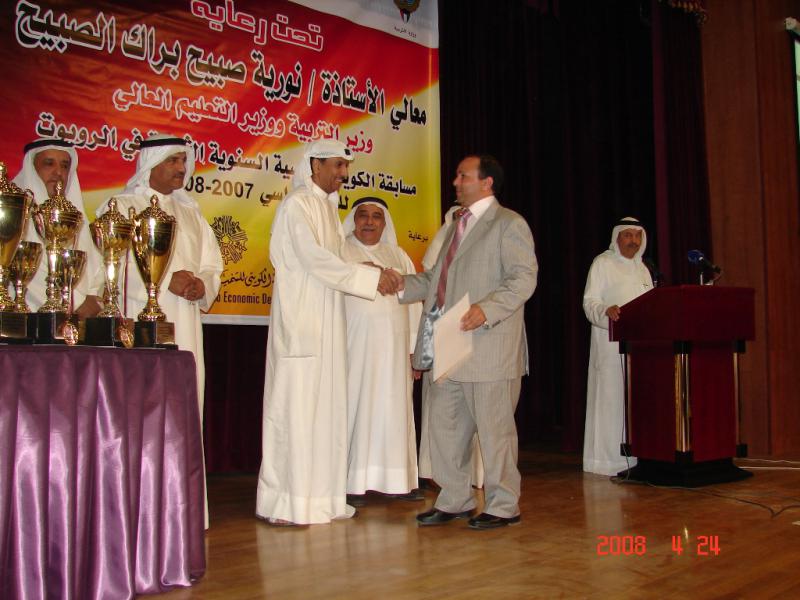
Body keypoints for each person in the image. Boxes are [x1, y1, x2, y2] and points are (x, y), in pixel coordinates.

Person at [256, 139, 402, 526]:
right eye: (338, 165)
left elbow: (336, 260)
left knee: (326, 414)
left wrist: (366, 270)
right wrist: (367, 277)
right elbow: (315, 259)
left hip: (329, 327)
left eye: (345, 166)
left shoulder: (326, 207)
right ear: (315, 165)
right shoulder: (298, 205)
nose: (343, 173)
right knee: (297, 412)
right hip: (302, 324)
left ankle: (323, 500)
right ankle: (286, 504)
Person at [397, 154, 538, 530]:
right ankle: (454, 499)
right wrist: (397, 284)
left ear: (487, 182)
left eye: (463, 176)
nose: (455, 182)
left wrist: (487, 309)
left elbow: (524, 277)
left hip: (489, 347)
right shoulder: (455, 226)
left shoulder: (508, 224)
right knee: (445, 429)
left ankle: (504, 504)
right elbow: (436, 281)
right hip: (447, 345)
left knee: (495, 432)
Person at [97, 134, 223, 420]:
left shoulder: (191, 213)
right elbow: (110, 266)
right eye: (172, 161)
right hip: (137, 318)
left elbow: (212, 264)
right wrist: (165, 282)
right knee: (139, 402)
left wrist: (202, 285)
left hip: (185, 321)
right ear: (150, 163)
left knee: (183, 403)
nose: (181, 168)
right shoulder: (120, 207)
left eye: (183, 161)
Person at [341, 197, 423, 505]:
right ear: (354, 220)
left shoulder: (398, 255)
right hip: (354, 349)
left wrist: (415, 351)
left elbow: (414, 304)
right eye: (363, 215)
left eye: (376, 216)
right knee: (357, 407)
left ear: (384, 223)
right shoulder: (341, 252)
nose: (369, 221)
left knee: (394, 410)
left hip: (395, 351)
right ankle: (353, 484)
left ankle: (398, 482)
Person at [419, 206, 484, 491]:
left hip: (478, 333)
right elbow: (430, 282)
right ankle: (440, 477)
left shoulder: (489, 238)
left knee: (477, 411)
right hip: (443, 334)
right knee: (442, 412)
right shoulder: (445, 240)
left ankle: (476, 476)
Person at [582, 217, 653, 476]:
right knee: (610, 401)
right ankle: (606, 462)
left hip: (639, 349)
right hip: (611, 346)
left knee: (635, 402)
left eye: (637, 235)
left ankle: (636, 458)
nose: (633, 240)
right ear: (617, 238)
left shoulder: (643, 269)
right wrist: (606, 310)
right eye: (628, 235)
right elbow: (590, 302)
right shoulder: (603, 263)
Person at [12, 139, 103, 317]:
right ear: (33, 169)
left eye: (64, 166)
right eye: (49, 164)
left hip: (81, 320)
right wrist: (77, 302)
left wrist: (94, 298)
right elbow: (31, 275)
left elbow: (95, 268)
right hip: (30, 317)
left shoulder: (76, 217)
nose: (59, 172)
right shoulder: (17, 213)